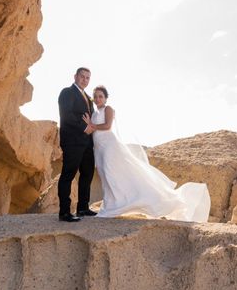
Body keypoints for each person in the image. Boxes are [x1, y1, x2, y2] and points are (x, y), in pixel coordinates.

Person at [83, 85, 210, 222]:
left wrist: (91, 125)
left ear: (106, 98)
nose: (97, 99)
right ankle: (110, 206)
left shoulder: (108, 109)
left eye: (100, 96)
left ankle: (134, 203)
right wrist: (88, 128)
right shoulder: (94, 113)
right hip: (99, 148)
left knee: (110, 173)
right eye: (95, 96)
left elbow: (107, 126)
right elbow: (91, 131)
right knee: (105, 176)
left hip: (109, 146)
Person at [57, 67, 97, 222]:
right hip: (72, 141)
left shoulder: (88, 97)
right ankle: (64, 212)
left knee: (87, 174)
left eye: (88, 78)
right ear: (75, 76)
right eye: (82, 76)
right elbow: (66, 115)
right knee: (68, 175)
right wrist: (84, 127)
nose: (84, 80)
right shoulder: (67, 92)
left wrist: (92, 128)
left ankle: (83, 208)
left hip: (87, 143)